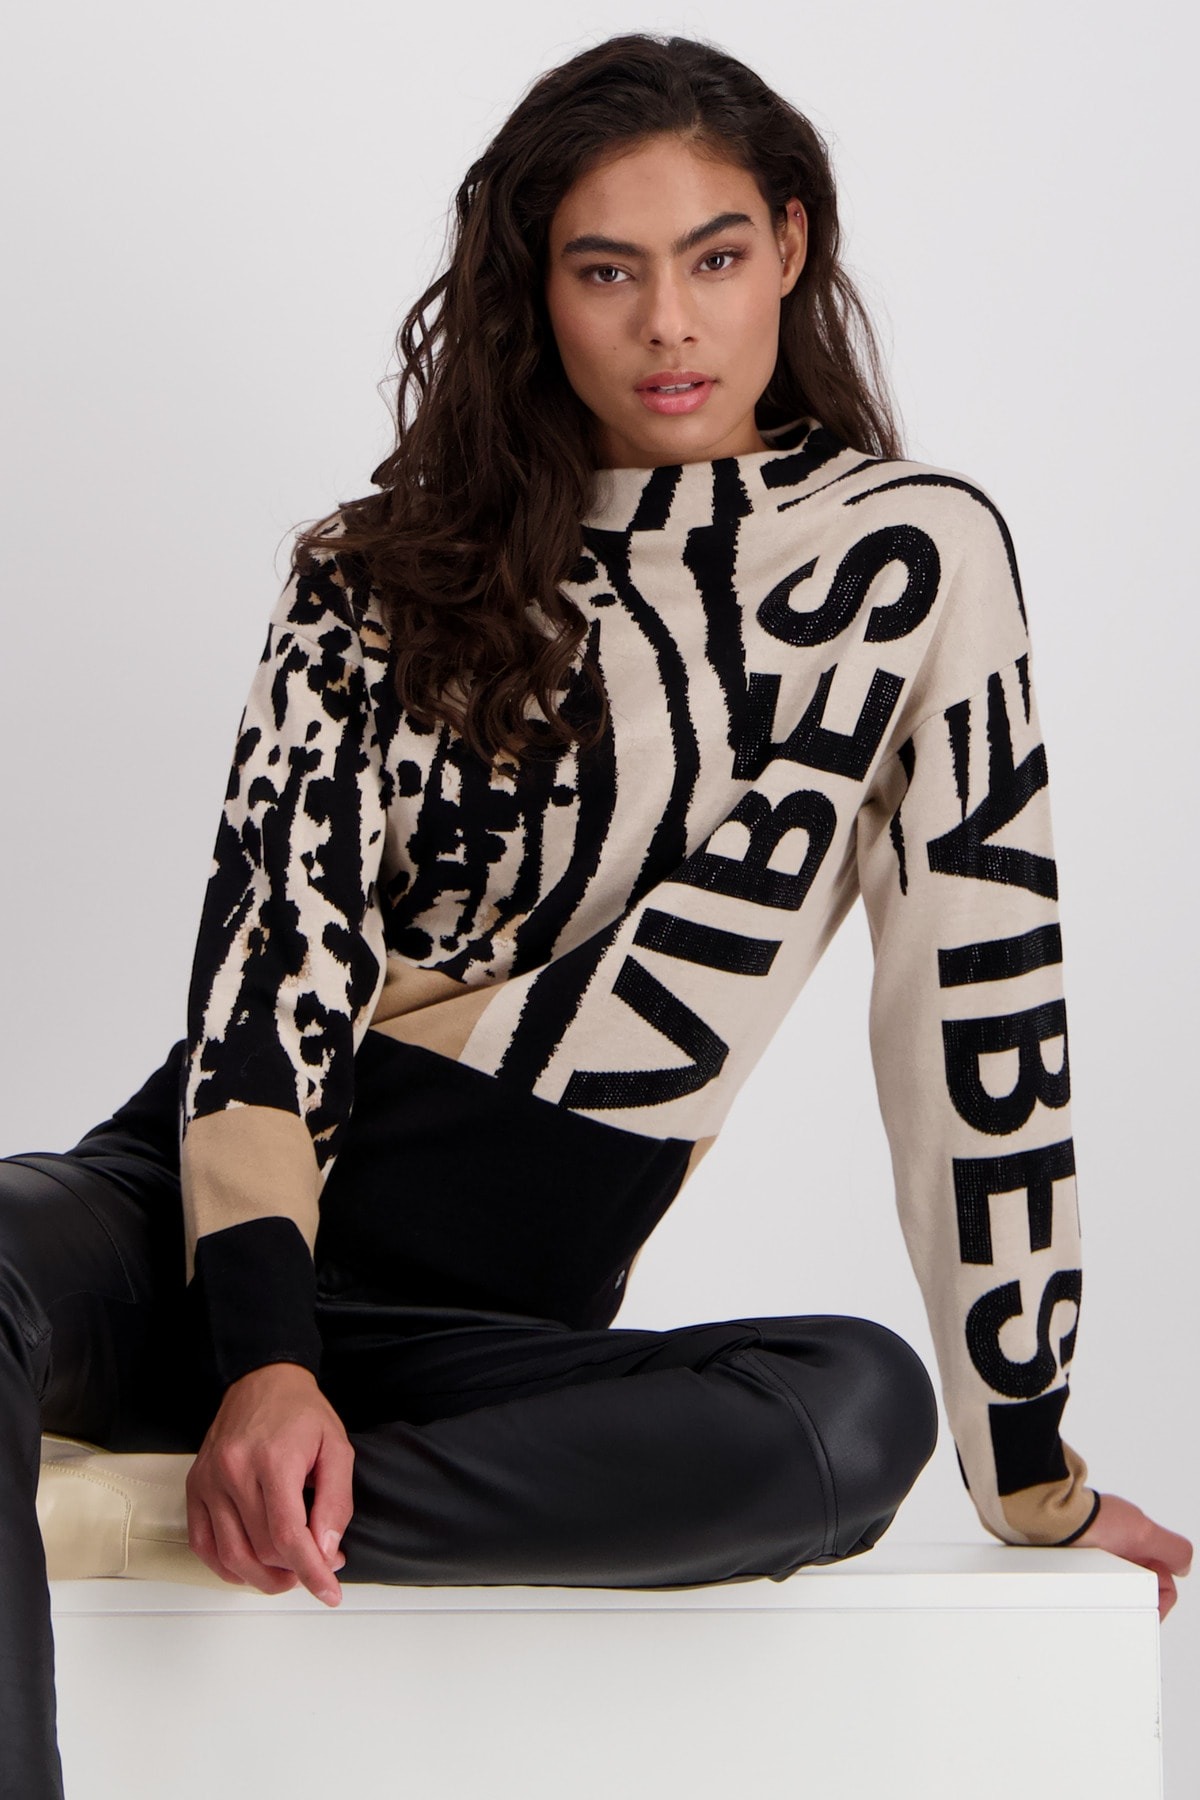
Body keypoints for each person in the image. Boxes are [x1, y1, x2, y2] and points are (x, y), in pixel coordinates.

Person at [2, 31, 1190, 1799]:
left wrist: (1033, 1478)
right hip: (190, 1236)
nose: (669, 324)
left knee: (845, 1417)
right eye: (607, 271)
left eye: (715, 257)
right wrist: (263, 1354)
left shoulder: (910, 561)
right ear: (534, 287)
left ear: (791, 246)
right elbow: (270, 964)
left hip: (467, 1346)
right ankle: (230, 1464)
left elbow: (980, 1001)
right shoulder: (371, 571)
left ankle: (172, 1510)